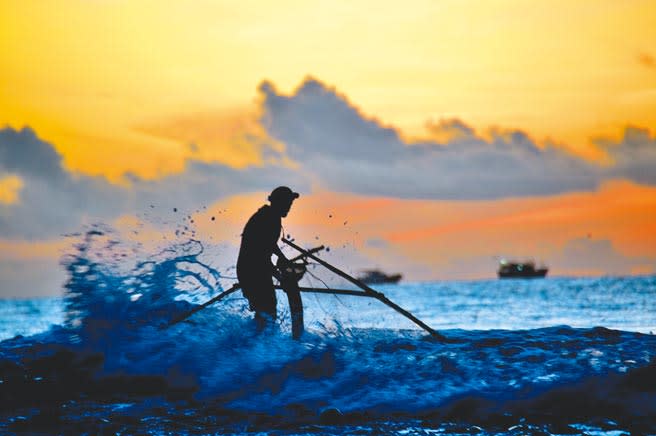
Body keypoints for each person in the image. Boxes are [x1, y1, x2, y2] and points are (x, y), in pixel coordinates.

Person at [237, 186, 303, 338]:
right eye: (287, 204)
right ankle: (254, 345)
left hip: (255, 270)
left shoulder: (270, 216)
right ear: (277, 202)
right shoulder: (267, 219)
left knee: (266, 312)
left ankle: (253, 342)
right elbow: (260, 257)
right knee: (268, 312)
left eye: (290, 204)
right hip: (251, 272)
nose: (289, 207)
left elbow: (268, 244)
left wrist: (282, 257)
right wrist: (280, 278)